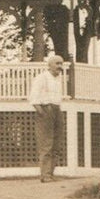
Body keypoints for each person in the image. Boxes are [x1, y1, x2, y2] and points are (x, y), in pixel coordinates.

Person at [28, 53, 67, 182]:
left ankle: (50, 173)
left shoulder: (58, 79)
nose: (60, 66)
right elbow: (34, 99)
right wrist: (43, 113)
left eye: (61, 64)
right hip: (46, 110)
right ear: (49, 65)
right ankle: (45, 175)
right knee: (46, 144)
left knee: (57, 143)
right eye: (57, 63)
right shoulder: (42, 78)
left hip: (57, 109)